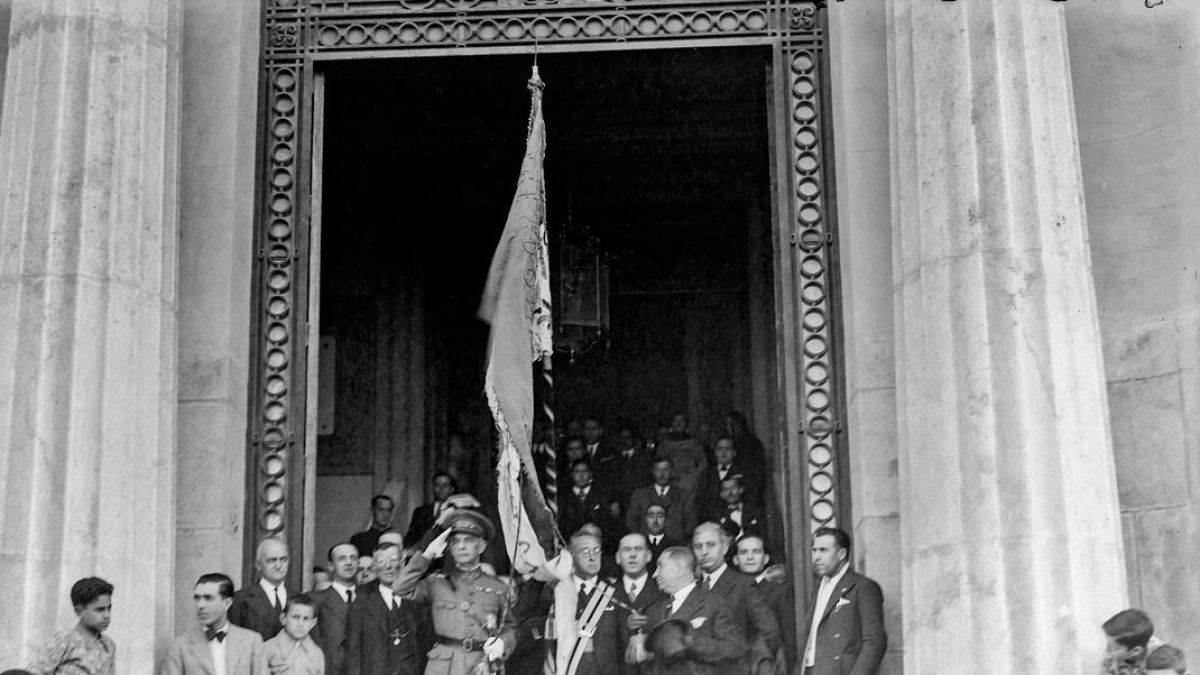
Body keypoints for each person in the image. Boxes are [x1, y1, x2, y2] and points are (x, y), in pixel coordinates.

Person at [394, 510, 516, 675]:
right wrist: (427, 554)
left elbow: (510, 627)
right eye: (455, 541)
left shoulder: (499, 588)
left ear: (481, 546)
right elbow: (401, 587)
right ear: (449, 548)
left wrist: (503, 642)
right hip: (443, 667)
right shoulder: (436, 583)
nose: (461, 546)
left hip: (481, 666)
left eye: (469, 540)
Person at [631, 547, 745, 675]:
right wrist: (642, 648)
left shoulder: (714, 604)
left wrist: (689, 643)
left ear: (679, 569)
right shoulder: (654, 609)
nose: (655, 574)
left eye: (660, 567)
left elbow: (735, 649)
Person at [692, 523, 779, 675]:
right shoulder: (692, 588)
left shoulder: (743, 585)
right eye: (698, 546)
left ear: (724, 548)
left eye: (711, 545)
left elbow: (769, 630)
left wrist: (752, 666)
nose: (704, 552)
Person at [800, 527, 885, 675]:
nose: (816, 557)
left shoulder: (863, 587)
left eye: (823, 550)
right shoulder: (817, 590)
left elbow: (875, 641)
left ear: (842, 554)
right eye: (814, 550)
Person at [161, 573, 266, 675]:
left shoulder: (252, 642)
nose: (200, 605)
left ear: (227, 603)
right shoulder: (181, 646)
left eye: (208, 598)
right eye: (197, 598)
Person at [345, 542, 423, 675]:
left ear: (402, 562)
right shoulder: (361, 600)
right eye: (381, 561)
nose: (388, 566)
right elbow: (354, 652)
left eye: (393, 560)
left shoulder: (419, 597)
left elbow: (426, 646)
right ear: (374, 566)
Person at [556, 530, 624, 675]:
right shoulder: (556, 591)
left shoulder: (615, 591)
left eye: (596, 551)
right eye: (585, 552)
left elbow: (623, 641)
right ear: (571, 556)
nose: (593, 558)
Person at [27, 577, 115, 675]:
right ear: (79, 611)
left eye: (109, 608)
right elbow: (35, 672)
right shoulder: (64, 640)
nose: (107, 615)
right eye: (100, 610)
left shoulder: (108, 646)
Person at [733, 535, 796, 674]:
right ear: (736, 559)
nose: (750, 557)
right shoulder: (729, 591)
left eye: (756, 552)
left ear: (766, 558)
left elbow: (788, 637)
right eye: (743, 552)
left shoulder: (779, 591)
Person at [613, 534, 664, 675]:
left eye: (638, 549)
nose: (633, 555)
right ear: (618, 557)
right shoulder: (606, 593)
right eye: (627, 550)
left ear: (648, 556)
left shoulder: (663, 590)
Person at [311, 543, 358, 675]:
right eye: (342, 558)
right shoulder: (316, 601)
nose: (349, 562)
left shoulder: (369, 600)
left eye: (353, 558)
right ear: (330, 566)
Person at [229, 538, 290, 640]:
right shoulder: (240, 599)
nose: (278, 566)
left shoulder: (298, 597)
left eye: (283, 559)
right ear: (258, 565)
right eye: (272, 560)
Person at [626, 459, 696, 541]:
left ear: (671, 471)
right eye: (658, 470)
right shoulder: (640, 495)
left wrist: (678, 536)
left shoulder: (683, 495)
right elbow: (631, 522)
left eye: (666, 470)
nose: (662, 474)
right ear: (652, 471)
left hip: (675, 545)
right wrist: (645, 538)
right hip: (648, 545)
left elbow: (691, 523)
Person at [697, 437, 764, 514]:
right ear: (715, 452)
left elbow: (751, 498)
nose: (723, 452)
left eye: (727, 449)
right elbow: (700, 500)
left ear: (734, 452)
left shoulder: (744, 473)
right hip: (711, 520)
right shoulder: (706, 474)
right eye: (720, 449)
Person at [262, 594, 325, 675]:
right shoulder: (267, 649)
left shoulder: (317, 653)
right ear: (283, 618)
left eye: (306, 619)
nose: (300, 624)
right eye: (296, 617)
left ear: (312, 623)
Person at [559, 459, 614, 543]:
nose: (581, 475)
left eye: (584, 471)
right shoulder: (564, 497)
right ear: (571, 474)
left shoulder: (601, 495)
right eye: (577, 471)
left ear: (590, 474)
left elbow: (607, 523)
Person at [654, 413, 707, 498]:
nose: (678, 423)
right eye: (675, 421)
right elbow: (658, 468)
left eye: (681, 421)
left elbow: (703, 466)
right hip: (670, 484)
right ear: (671, 424)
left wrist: (693, 477)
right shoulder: (663, 446)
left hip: (690, 486)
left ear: (686, 424)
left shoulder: (695, 444)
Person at [701, 476, 768, 543]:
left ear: (741, 489)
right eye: (725, 489)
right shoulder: (716, 515)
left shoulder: (755, 511)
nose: (730, 492)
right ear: (721, 494)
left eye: (733, 488)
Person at [404, 472, 459, 548]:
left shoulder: (457, 512)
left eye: (445, 485)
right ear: (433, 487)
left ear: (452, 489)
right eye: (437, 485)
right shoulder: (420, 512)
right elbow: (411, 537)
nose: (441, 488)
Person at [1102, 609, 1156, 675]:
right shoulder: (1109, 659)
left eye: (1114, 648)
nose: (1107, 650)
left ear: (1135, 651)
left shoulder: (1160, 661)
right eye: (1107, 644)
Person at [642, 504, 682, 573]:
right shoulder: (640, 545)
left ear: (666, 521)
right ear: (646, 519)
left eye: (660, 516)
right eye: (651, 516)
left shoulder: (675, 546)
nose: (655, 521)